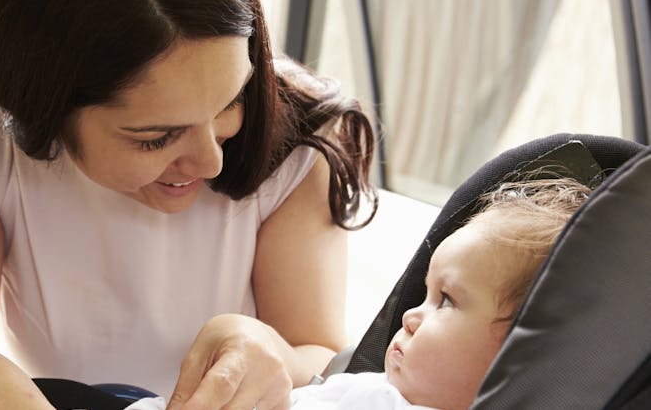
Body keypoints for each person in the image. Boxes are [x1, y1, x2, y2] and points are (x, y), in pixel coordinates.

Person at [0, 0, 378, 410]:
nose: (211, 163)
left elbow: (319, 354)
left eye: (230, 101)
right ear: (41, 110)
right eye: (156, 137)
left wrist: (275, 356)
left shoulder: (296, 131)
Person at [121, 175, 592, 409]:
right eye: (425, 295)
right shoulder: (373, 390)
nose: (411, 315)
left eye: (445, 301)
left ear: (523, 353)